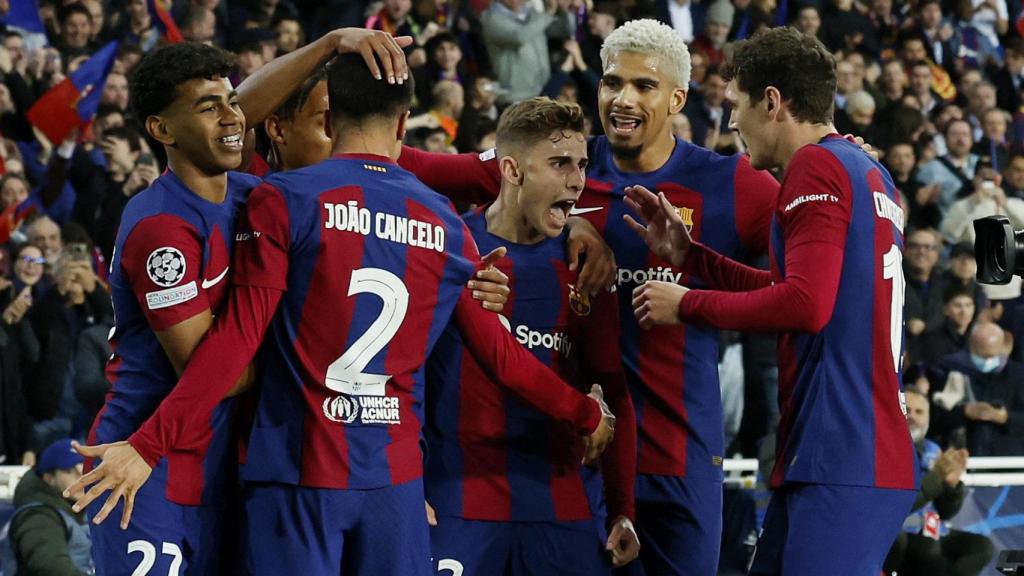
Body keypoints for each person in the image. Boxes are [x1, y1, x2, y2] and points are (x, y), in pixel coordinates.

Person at [69, 53, 615, 576]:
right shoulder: (446, 223)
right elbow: (503, 357)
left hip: (297, 472)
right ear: (403, 122)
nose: (232, 118)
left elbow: (233, 344)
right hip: (392, 479)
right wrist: (586, 413)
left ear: (331, 121)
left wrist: (148, 443)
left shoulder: (278, 198)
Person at [397, 18, 780, 575]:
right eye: (612, 83)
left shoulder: (732, 183)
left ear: (677, 99)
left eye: (644, 86)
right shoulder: (556, 161)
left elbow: (812, 267)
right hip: (574, 457)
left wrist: (842, 158)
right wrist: (574, 217)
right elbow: (405, 163)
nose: (623, 99)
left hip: (678, 451)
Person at [64, 30, 411, 575]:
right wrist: (307, 354)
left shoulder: (253, 195)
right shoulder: (162, 229)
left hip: (225, 468)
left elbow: (241, 112)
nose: (232, 118)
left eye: (231, 102)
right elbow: (213, 373)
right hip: (145, 468)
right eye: (209, 108)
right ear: (161, 130)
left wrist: (328, 45)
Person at [625, 27, 918, 575]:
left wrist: (686, 305)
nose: (733, 121)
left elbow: (805, 305)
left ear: (772, 101)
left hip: (843, 451)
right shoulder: (867, 170)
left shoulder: (816, 166)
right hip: (846, 449)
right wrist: (693, 259)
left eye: (736, 104)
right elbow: (795, 294)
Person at [424, 97, 640, 574]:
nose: (577, 180)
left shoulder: (587, 265)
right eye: (560, 163)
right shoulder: (451, 248)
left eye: (582, 165)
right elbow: (406, 376)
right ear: (512, 170)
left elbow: (613, 389)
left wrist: (622, 508)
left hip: (560, 507)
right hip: (459, 500)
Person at [883, 386, 995, 576]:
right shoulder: (883, 450)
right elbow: (897, 506)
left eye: (919, 412)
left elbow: (946, 512)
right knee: (926, 547)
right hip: (896, 531)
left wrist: (952, 487)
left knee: (981, 547)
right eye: (906, 410)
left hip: (932, 529)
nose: (912, 417)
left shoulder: (934, 450)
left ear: (928, 418)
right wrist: (936, 477)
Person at [2, 438, 92, 576]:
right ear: (48, 478)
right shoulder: (38, 518)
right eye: (69, 470)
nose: (81, 477)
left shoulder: (82, 509)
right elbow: (52, 568)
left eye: (84, 467)